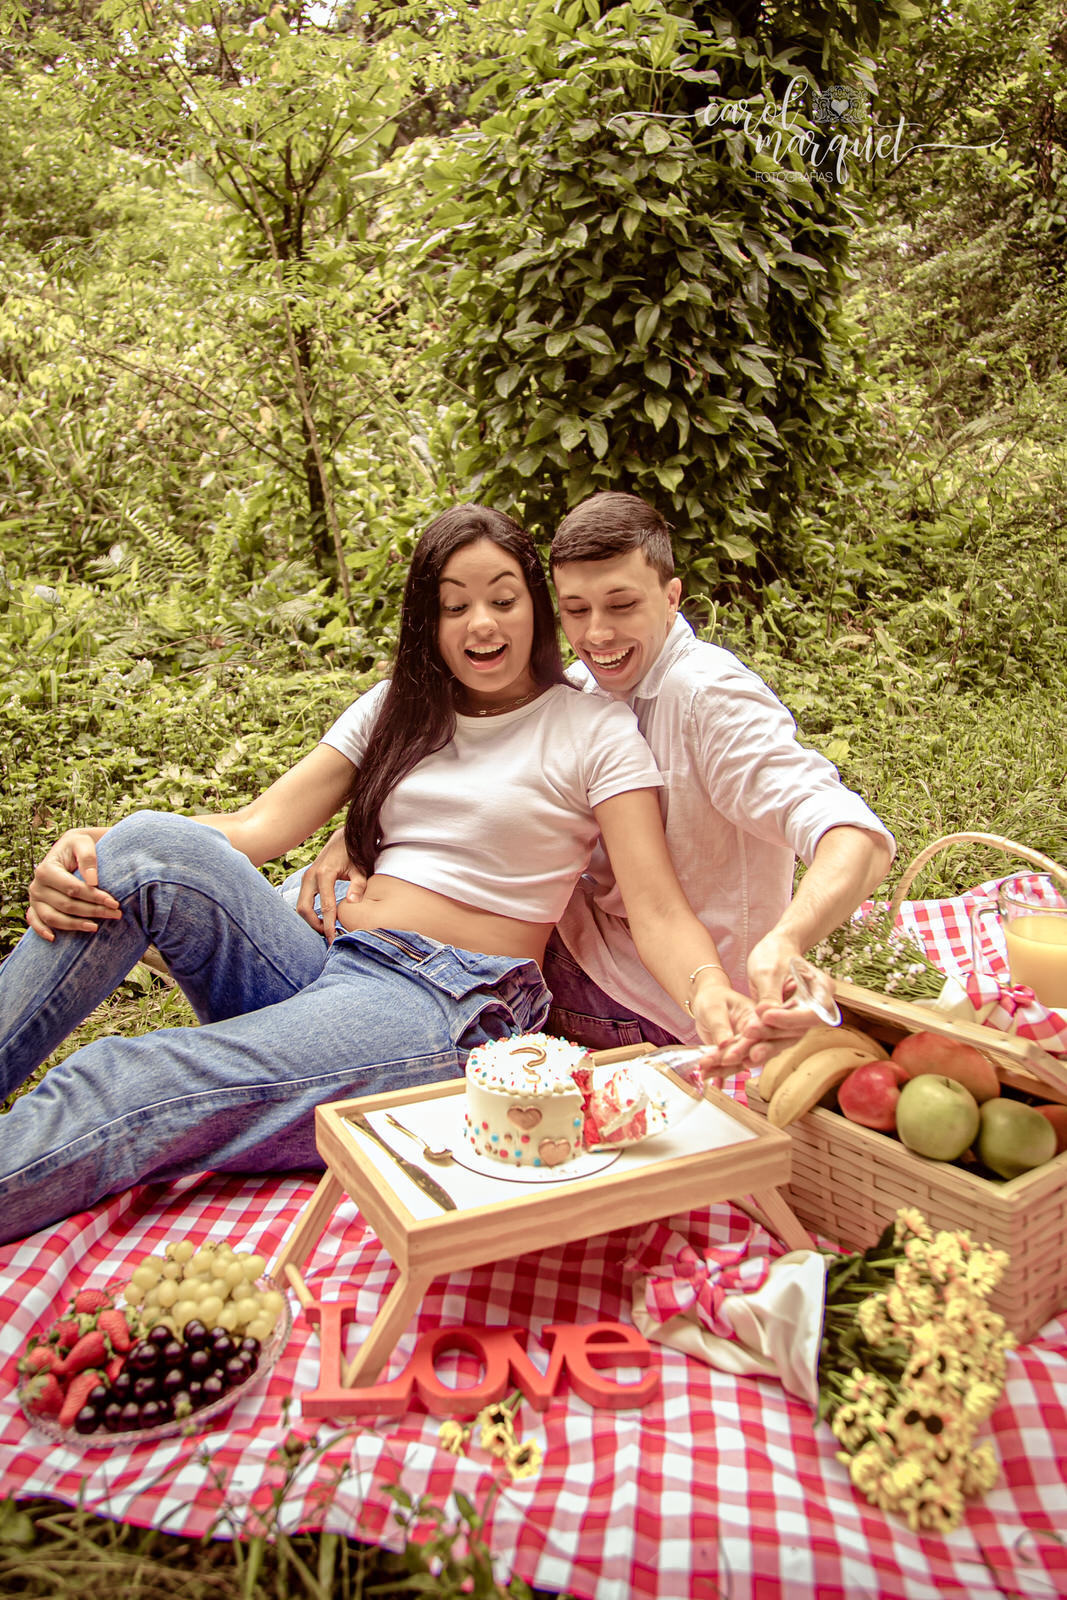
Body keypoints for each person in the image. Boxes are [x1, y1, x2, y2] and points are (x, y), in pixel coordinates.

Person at [0, 505, 763, 1246]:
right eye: (454, 606)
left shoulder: (592, 730)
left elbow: (657, 907)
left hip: (438, 1004)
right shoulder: (398, 708)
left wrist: (707, 990)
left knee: (126, 1078)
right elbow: (257, 828)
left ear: (536, 606)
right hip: (323, 955)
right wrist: (93, 847)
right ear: (427, 619)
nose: (481, 624)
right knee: (145, 844)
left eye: (502, 600)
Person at [542, 491, 896, 1050]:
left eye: (622, 604)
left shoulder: (709, 697)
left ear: (671, 597)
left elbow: (856, 837)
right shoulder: (584, 687)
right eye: (577, 611)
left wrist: (787, 939)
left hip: (666, 1002)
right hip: (628, 961)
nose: (597, 635)